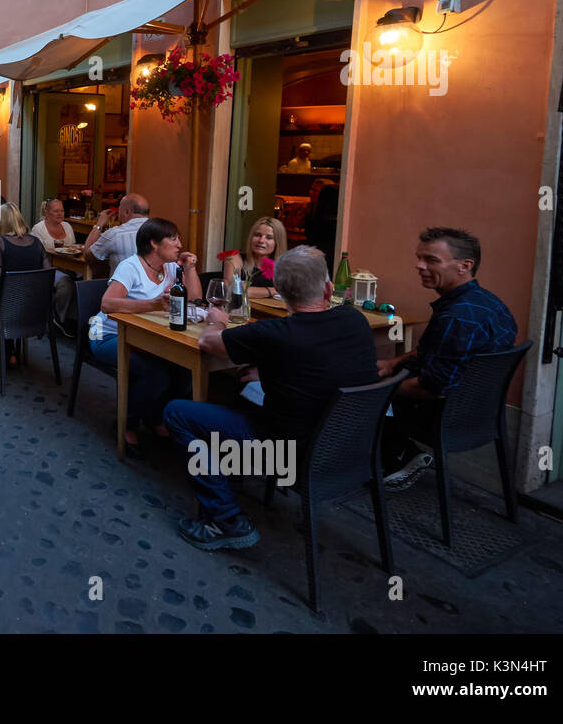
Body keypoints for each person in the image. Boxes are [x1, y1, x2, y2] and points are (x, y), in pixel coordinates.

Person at [161, 245, 380, 550]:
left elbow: (206, 341)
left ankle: (225, 519)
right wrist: (265, 373)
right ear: (328, 289)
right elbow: (323, 365)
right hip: (354, 448)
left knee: (177, 412)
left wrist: (218, 319)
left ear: (281, 292)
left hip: (287, 457)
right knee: (242, 391)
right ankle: (231, 471)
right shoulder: (354, 321)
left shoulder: (273, 333)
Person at [376, 227, 519, 490]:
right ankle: (399, 453)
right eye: (419, 258)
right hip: (482, 411)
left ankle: (397, 458)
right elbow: (434, 351)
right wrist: (394, 363)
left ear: (465, 266)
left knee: (358, 398)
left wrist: (381, 389)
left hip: (448, 415)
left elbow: (432, 388)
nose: (419, 266)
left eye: (431, 260)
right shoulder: (491, 303)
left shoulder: (457, 317)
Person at [87, 218, 200, 457]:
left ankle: (155, 416)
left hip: (146, 338)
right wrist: (153, 304)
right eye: (174, 238)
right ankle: (125, 423)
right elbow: (106, 304)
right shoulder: (131, 266)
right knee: (155, 374)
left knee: (183, 371)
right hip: (107, 335)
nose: (180, 244)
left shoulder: (169, 267)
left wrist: (189, 268)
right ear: (154, 244)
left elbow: (195, 299)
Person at [0, 203, 52, 371]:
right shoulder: (36, 243)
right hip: (35, 312)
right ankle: (10, 354)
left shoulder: (1, 243)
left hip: (6, 312)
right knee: (4, 303)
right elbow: (48, 275)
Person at [32, 198, 79, 336]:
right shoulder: (38, 228)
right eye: (56, 211)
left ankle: (76, 319)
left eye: (62, 210)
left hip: (71, 266)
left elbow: (73, 248)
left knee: (86, 281)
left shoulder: (68, 226)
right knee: (66, 284)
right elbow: (38, 256)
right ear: (47, 213)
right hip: (47, 268)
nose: (60, 214)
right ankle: (59, 319)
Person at [223, 216, 289, 300]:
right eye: (258, 235)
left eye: (269, 237)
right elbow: (232, 290)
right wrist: (272, 291)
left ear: (277, 243)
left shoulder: (284, 266)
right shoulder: (235, 258)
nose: (261, 240)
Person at [84, 192, 151, 274]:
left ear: (127, 212)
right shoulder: (160, 230)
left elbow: (88, 255)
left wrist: (99, 223)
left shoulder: (115, 234)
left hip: (122, 286)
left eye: (119, 208)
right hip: (158, 285)